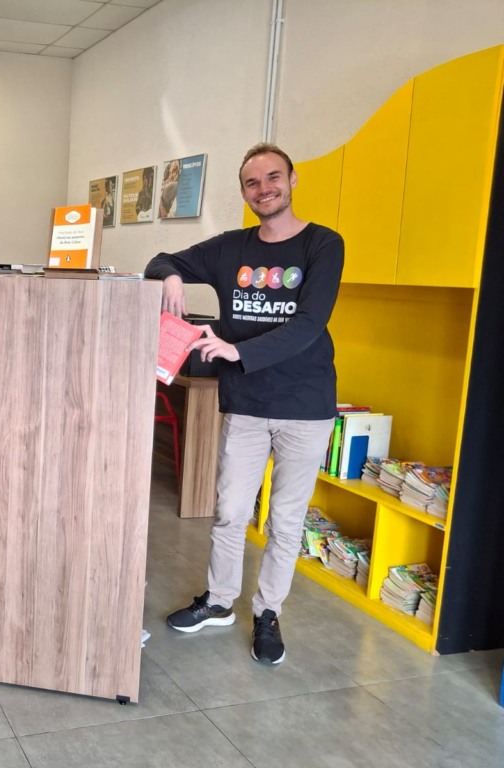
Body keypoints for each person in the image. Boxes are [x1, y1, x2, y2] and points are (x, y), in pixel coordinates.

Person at [145, 143, 344, 666]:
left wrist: (236, 349)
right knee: (231, 511)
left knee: (284, 520)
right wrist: (170, 275)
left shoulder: (323, 245)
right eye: (253, 183)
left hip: (305, 404)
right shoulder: (231, 247)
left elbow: (308, 324)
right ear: (244, 192)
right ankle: (218, 601)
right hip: (248, 403)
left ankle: (268, 612)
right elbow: (161, 259)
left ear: (293, 180)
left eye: (274, 178)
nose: (265, 189)